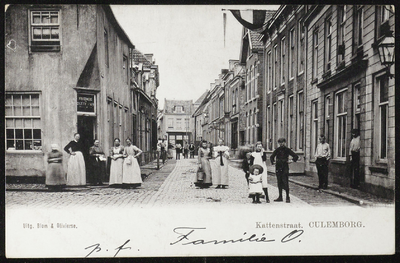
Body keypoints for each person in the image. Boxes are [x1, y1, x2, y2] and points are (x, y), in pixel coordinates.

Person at [270, 138, 299, 203]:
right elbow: (271, 157)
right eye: (280, 142)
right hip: (278, 167)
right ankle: (280, 196)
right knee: (279, 182)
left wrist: (291, 161)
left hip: (285, 167)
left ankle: (287, 197)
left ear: (285, 142)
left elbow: (295, 156)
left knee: (285, 182)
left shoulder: (287, 150)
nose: (281, 144)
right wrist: (273, 162)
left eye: (282, 142)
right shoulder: (277, 150)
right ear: (278, 143)